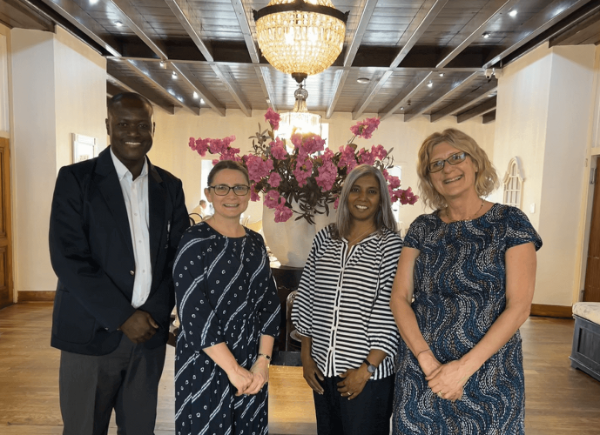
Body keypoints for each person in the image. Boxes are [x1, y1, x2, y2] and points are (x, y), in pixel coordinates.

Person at [49, 92, 189, 434]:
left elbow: (179, 256)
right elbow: (68, 257)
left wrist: (153, 314)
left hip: (148, 337)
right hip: (90, 332)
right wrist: (123, 317)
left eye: (142, 125)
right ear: (108, 125)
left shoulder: (169, 186)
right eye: (123, 124)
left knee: (140, 428)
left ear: (153, 128)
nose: (133, 133)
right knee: (84, 428)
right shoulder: (76, 180)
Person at [390, 129, 542, 434]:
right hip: (423, 374)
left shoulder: (510, 222)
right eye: (436, 164)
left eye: (456, 157)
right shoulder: (421, 228)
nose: (447, 168)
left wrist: (462, 369)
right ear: (430, 178)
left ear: (475, 163)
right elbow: (399, 298)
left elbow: (519, 307)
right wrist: (427, 362)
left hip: (490, 374)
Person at [292, 164, 403, 435]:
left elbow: (390, 310)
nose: (362, 198)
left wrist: (366, 369)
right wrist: (306, 357)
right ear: (345, 195)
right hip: (322, 369)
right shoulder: (325, 238)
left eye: (371, 192)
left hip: (367, 375)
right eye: (355, 190)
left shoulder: (390, 245)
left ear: (381, 199)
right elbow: (307, 296)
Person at [173, 160, 281, 435]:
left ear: (249, 193)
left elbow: (269, 304)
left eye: (239, 188)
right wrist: (232, 369)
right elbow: (193, 312)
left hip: (251, 361)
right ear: (208, 194)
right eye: (222, 188)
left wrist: (263, 361)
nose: (231, 195)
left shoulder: (256, 242)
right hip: (205, 361)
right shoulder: (194, 240)